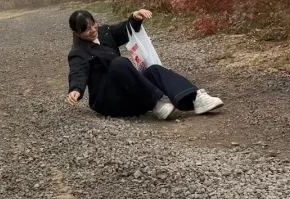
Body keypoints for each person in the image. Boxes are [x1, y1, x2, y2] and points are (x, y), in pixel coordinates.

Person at [66, 8, 223, 120]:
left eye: (93, 25)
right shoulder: (78, 52)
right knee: (119, 63)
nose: (93, 30)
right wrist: (76, 89)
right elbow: (78, 71)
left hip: (131, 92)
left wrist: (135, 16)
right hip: (111, 101)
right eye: (87, 30)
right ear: (77, 34)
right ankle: (156, 103)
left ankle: (195, 98)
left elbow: (123, 29)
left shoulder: (104, 31)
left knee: (153, 70)